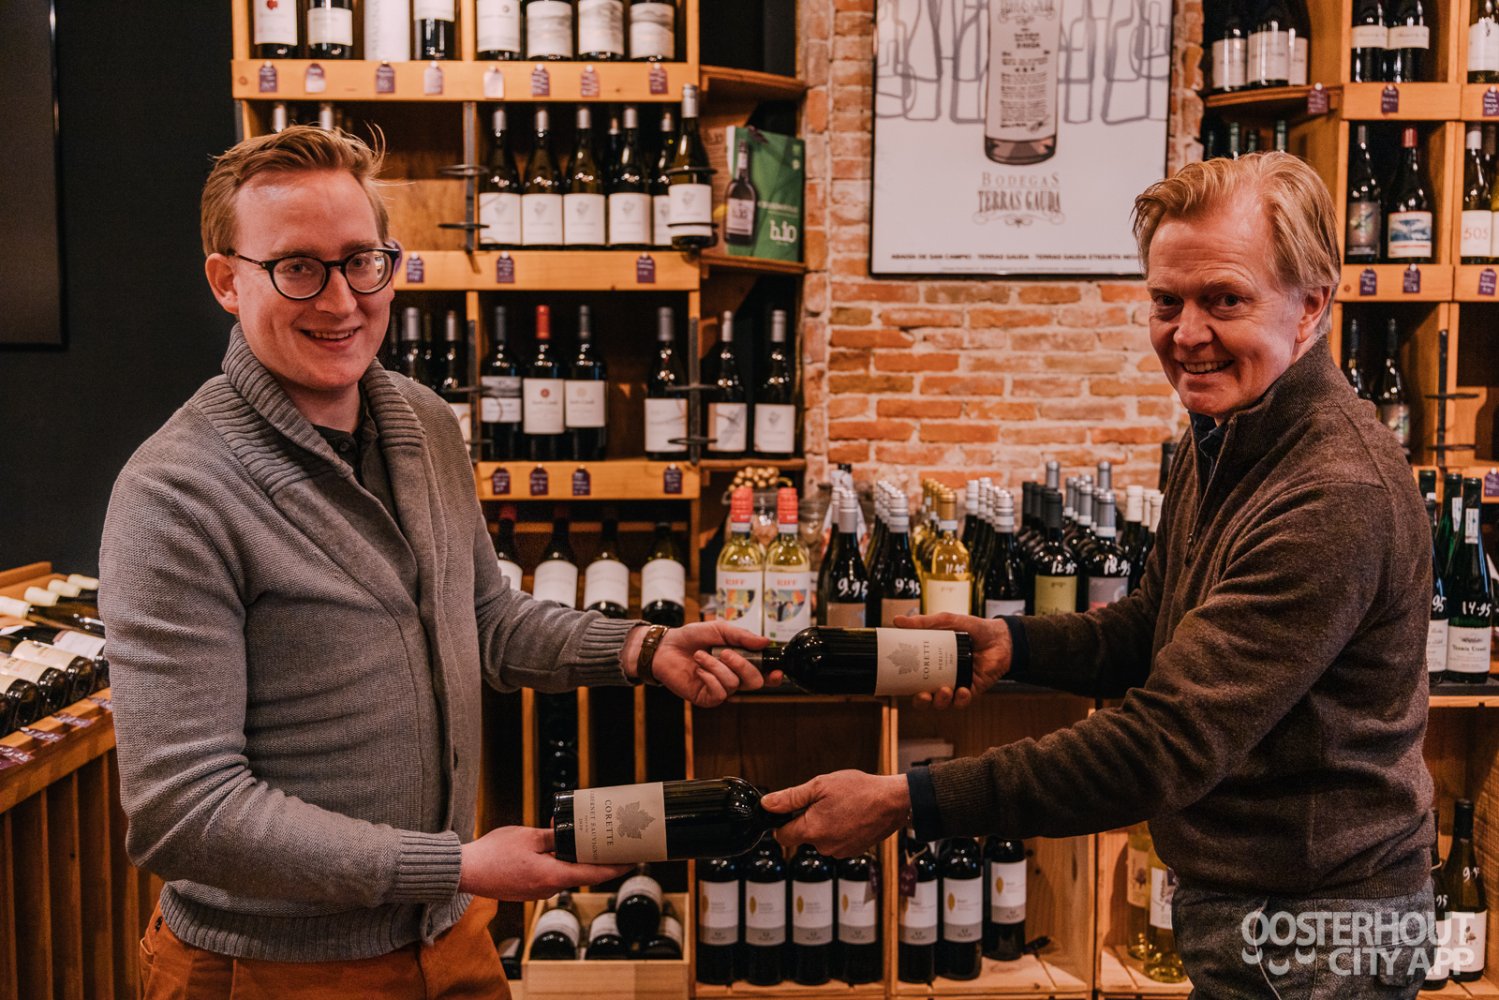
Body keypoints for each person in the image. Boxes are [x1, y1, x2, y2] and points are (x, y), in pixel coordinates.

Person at [99, 124, 770, 999]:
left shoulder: (421, 422)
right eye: (297, 267)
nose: (341, 300)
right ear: (227, 280)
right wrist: (453, 864)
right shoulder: (176, 492)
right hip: (270, 969)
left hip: (449, 940)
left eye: (362, 262)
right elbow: (183, 812)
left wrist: (642, 649)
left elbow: (482, 615)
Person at [763, 152, 1434, 998]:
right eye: (1166, 302)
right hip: (1257, 904)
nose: (1185, 334)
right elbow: (1155, 623)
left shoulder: (1331, 494)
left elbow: (1162, 744)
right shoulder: (1227, 432)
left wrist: (908, 801)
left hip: (1322, 928)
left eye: (1224, 300)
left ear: (1311, 305)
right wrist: (1013, 644)